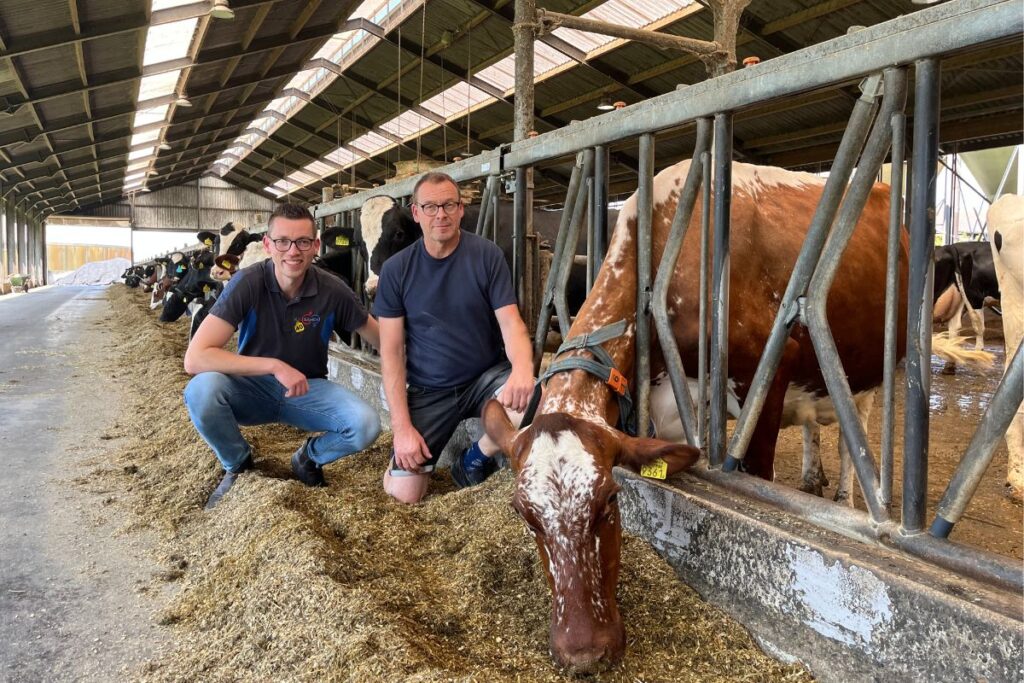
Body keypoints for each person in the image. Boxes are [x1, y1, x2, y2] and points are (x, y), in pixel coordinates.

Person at [183, 203, 381, 510]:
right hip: (251, 389)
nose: (293, 251)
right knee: (201, 390)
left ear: (316, 245)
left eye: (303, 242)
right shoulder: (247, 282)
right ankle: (237, 463)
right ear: (267, 245)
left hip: (306, 390)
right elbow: (195, 358)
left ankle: (308, 458)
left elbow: (380, 338)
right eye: (282, 242)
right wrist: (275, 366)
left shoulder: (333, 290)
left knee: (366, 424)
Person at [374, 172, 534, 504]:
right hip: (430, 390)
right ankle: (397, 468)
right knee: (406, 495)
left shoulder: (487, 255)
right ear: (416, 213)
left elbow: (511, 324)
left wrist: (522, 369)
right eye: (430, 207)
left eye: (448, 205)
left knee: (537, 399)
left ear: (461, 209)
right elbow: (391, 352)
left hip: (484, 379)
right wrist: (402, 430)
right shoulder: (395, 270)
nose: (440, 215)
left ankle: (473, 460)